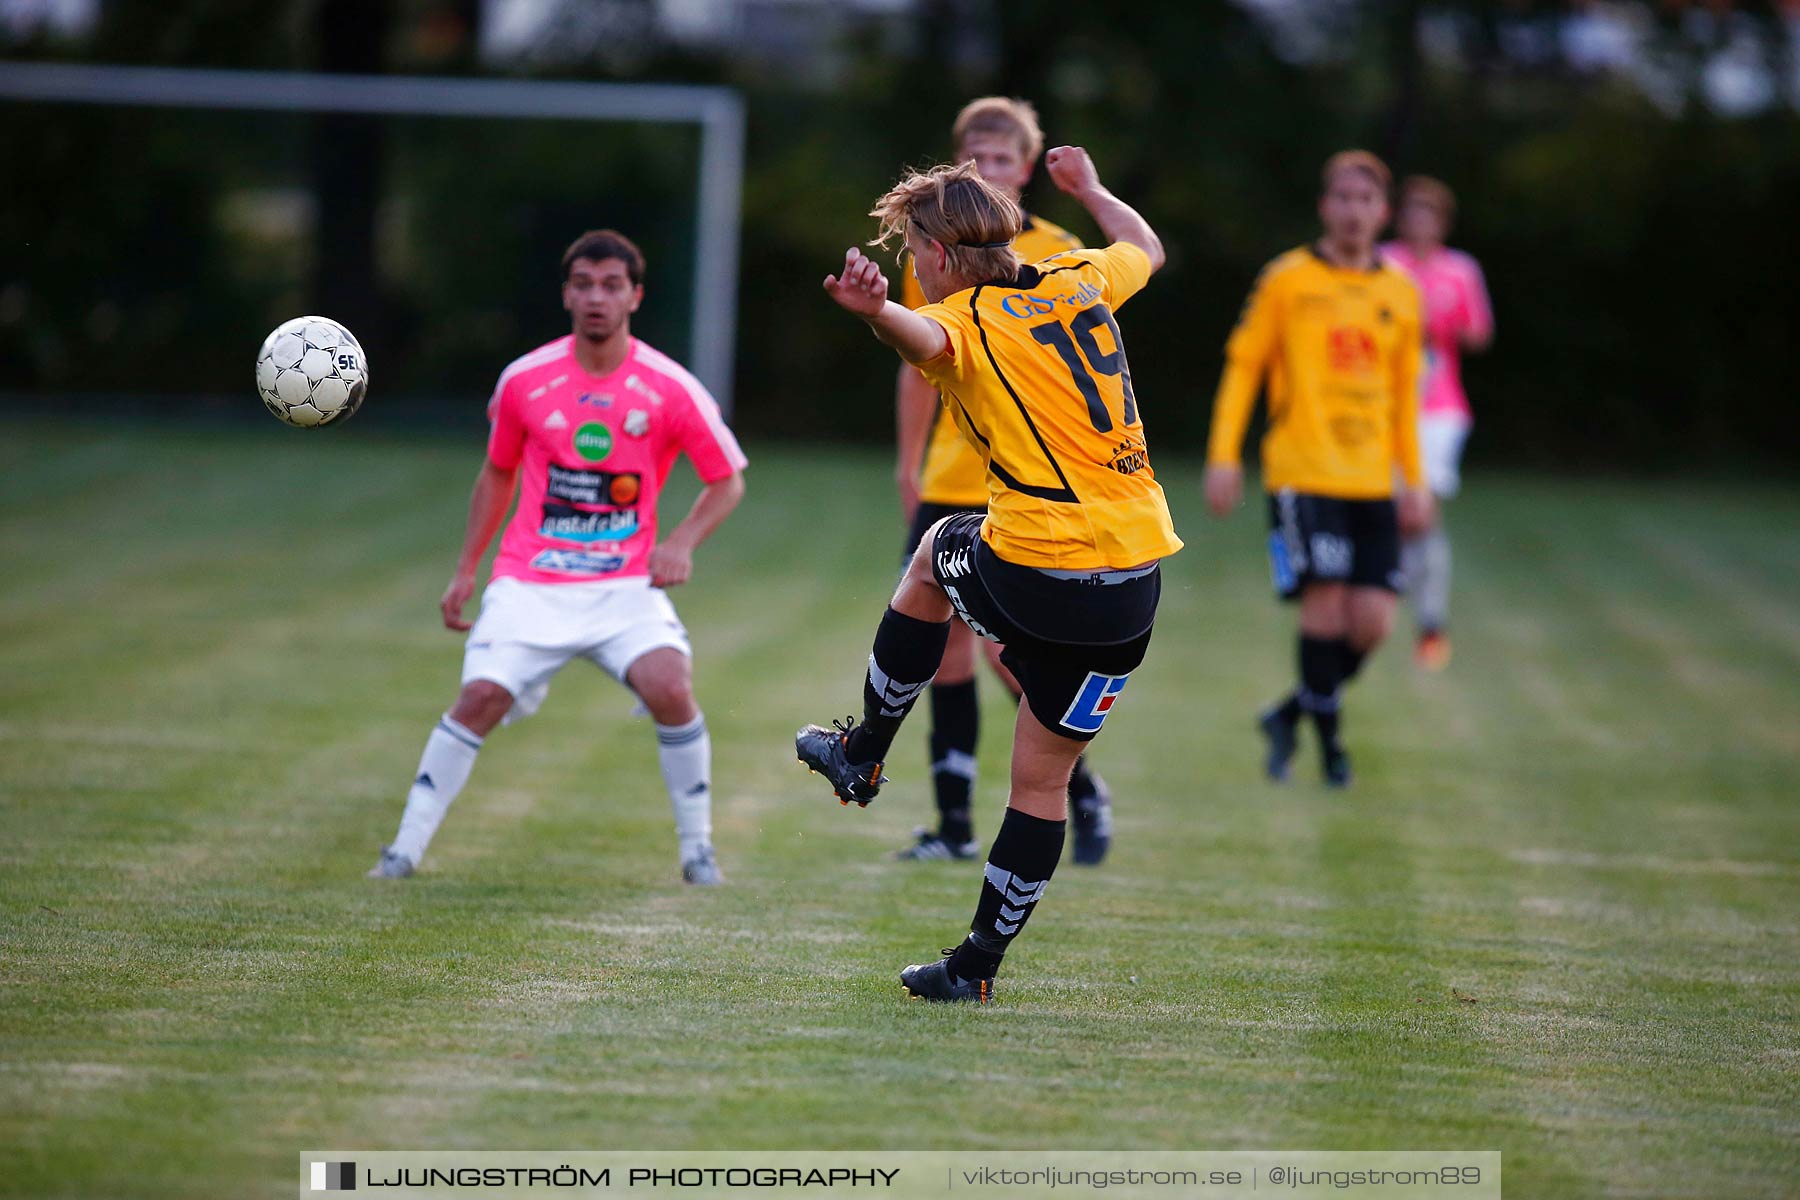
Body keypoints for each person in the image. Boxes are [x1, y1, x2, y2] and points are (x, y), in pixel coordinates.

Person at [797, 149, 1178, 1002]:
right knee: (1043, 783)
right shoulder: (1078, 275)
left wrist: (874, 312)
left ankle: (862, 754)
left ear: (935, 254)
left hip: (1040, 561)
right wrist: (1091, 192)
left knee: (933, 552)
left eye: (908, 254)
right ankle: (973, 972)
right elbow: (1145, 246)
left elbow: (923, 334)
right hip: (1133, 585)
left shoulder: (962, 320)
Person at [368, 229, 747, 885]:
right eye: (583, 285)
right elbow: (497, 474)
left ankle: (699, 852)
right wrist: (466, 569)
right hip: (531, 580)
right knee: (480, 696)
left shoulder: (669, 386)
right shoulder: (524, 379)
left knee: (671, 687)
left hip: (624, 586)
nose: (596, 297)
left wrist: (681, 542)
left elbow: (728, 477)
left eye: (610, 285)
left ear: (635, 296)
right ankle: (402, 851)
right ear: (566, 294)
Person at [892, 97, 1116, 866]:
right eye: (972, 161)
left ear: (1025, 169)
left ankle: (1074, 787)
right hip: (952, 478)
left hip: (1026, 489)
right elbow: (922, 363)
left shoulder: (1056, 253)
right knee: (942, 654)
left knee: (1008, 658)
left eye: (999, 160)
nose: (985, 171)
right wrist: (908, 461)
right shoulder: (933, 251)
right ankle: (952, 824)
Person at [1204, 150, 1431, 789]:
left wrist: (1412, 478)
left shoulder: (1401, 294)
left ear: (1383, 213)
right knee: (1324, 607)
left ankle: (1289, 713)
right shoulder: (1288, 280)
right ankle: (1333, 753)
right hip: (1302, 474)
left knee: (1374, 623)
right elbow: (1244, 366)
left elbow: (1403, 396)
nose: (1354, 212)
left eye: (1367, 201)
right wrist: (1224, 456)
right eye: (1343, 199)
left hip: (1371, 481)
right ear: (1325, 206)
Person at [1381, 176, 1494, 670]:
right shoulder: (1384, 262)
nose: (1420, 222)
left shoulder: (1460, 270)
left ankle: (1430, 621)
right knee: (1390, 511)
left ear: (1443, 222)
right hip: (1381, 407)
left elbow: (1478, 333)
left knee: (1420, 511)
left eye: (1430, 214)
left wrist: (1437, 325)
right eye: (1412, 212)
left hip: (1439, 409)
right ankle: (1387, 607)